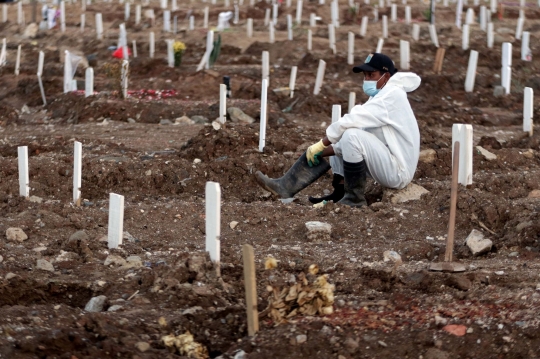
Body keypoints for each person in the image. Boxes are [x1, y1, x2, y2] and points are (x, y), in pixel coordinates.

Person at [255, 53, 421, 207]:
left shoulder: (393, 94)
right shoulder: (379, 96)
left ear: (386, 76)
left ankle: (354, 199)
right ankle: (290, 187)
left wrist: (322, 143)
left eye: (372, 75)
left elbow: (354, 119)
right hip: (387, 164)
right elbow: (356, 142)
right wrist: (321, 151)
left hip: (398, 172)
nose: (367, 79)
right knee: (344, 138)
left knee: (350, 134)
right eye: (365, 75)